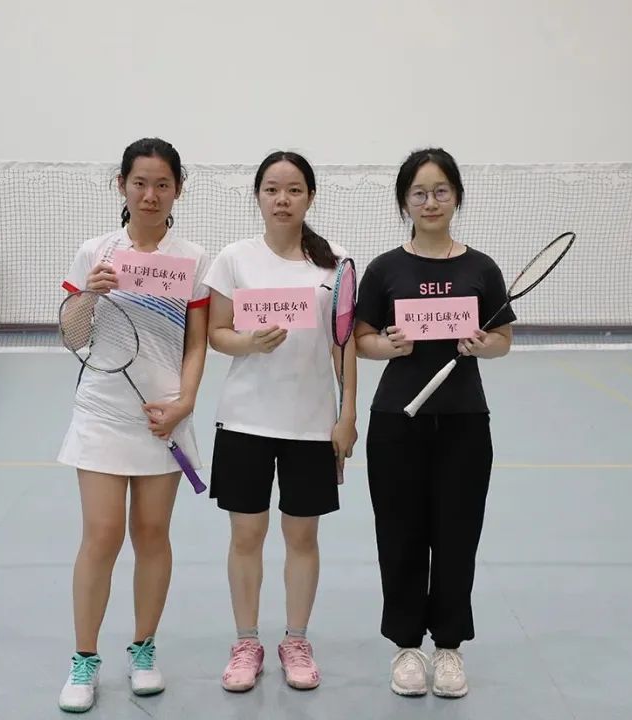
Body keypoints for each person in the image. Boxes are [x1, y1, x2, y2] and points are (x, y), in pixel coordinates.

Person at [55, 137, 211, 713]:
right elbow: (73, 337)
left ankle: (143, 650)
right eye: (140, 182)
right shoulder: (95, 252)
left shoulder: (193, 260)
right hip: (102, 411)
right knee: (101, 535)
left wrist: (185, 401)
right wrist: (88, 295)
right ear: (121, 185)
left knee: (151, 534)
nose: (150, 195)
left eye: (162, 184)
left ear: (177, 190)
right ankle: (84, 659)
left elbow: (196, 344)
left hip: (162, 417)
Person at [353, 147, 514, 699]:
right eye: (419, 193)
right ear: (405, 201)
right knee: (399, 535)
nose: (430, 202)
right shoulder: (385, 269)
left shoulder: (481, 268)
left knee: (456, 535)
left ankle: (448, 647)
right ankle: (405, 646)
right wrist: (389, 345)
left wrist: (484, 344)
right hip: (396, 421)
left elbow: (503, 340)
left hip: (465, 421)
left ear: (456, 197)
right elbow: (361, 340)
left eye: (441, 191)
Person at [203, 150, 358, 693]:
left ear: (310, 196)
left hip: (311, 423)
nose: (282, 199)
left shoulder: (336, 262)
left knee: (302, 536)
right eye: (272, 189)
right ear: (258, 196)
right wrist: (249, 342)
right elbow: (217, 333)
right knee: (246, 535)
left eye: (294, 190)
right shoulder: (234, 258)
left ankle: (296, 640)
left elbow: (344, 344)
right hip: (245, 419)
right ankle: (246, 642)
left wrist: (347, 414)